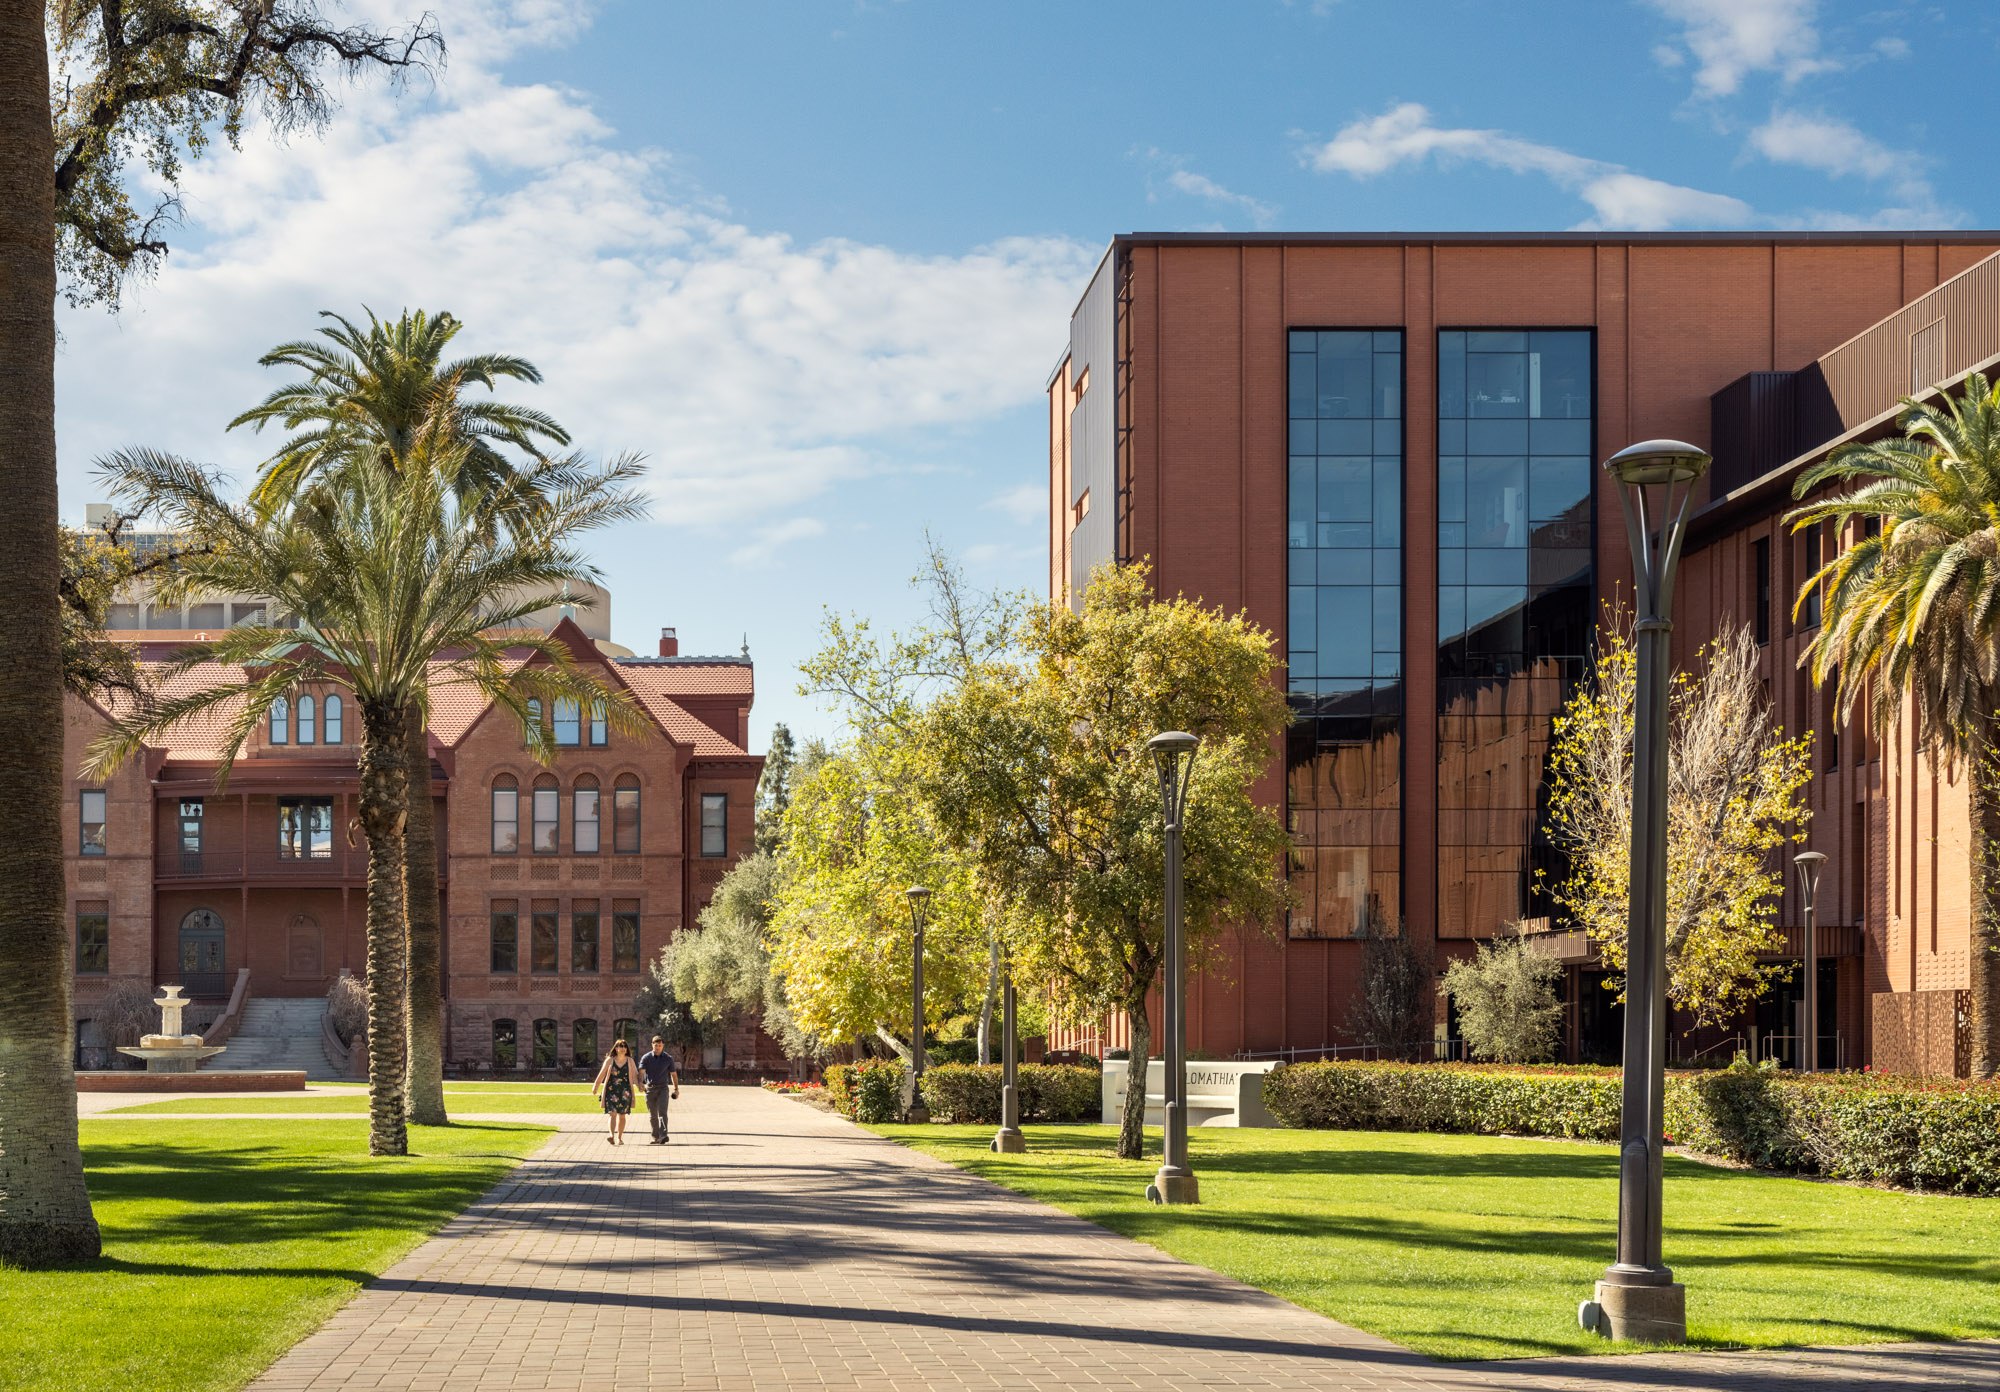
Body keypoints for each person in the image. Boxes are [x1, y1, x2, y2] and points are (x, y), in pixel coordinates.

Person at [592, 1038, 646, 1145]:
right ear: (616, 1048)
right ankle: (612, 1136)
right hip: (611, 1091)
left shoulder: (630, 1061)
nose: (622, 1048)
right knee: (612, 1114)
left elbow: (635, 1076)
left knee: (622, 1115)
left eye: (624, 1046)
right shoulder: (610, 1060)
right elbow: (601, 1074)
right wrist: (595, 1087)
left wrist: (640, 1086)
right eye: (620, 1046)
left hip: (625, 1092)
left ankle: (620, 1138)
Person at [636, 1034, 681, 1144]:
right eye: (656, 1045)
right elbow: (641, 1072)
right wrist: (640, 1083)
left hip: (663, 1089)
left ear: (663, 1046)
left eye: (660, 1045)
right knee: (653, 1115)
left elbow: (673, 1074)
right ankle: (656, 1137)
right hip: (650, 1089)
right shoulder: (646, 1057)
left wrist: (676, 1089)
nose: (658, 1047)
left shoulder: (668, 1058)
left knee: (662, 1113)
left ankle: (663, 1135)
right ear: (652, 1045)